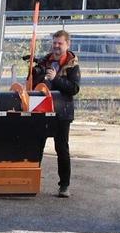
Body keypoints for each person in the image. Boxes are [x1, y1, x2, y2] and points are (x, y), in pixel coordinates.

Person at [29, 29, 81, 197]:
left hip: (62, 112)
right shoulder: (45, 61)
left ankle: (64, 186)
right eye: (54, 43)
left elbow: (74, 88)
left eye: (60, 43)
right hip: (41, 110)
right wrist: (35, 73)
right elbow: (33, 84)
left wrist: (55, 79)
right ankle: (30, 182)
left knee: (62, 148)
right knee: (36, 146)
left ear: (67, 44)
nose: (57, 46)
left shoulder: (72, 65)